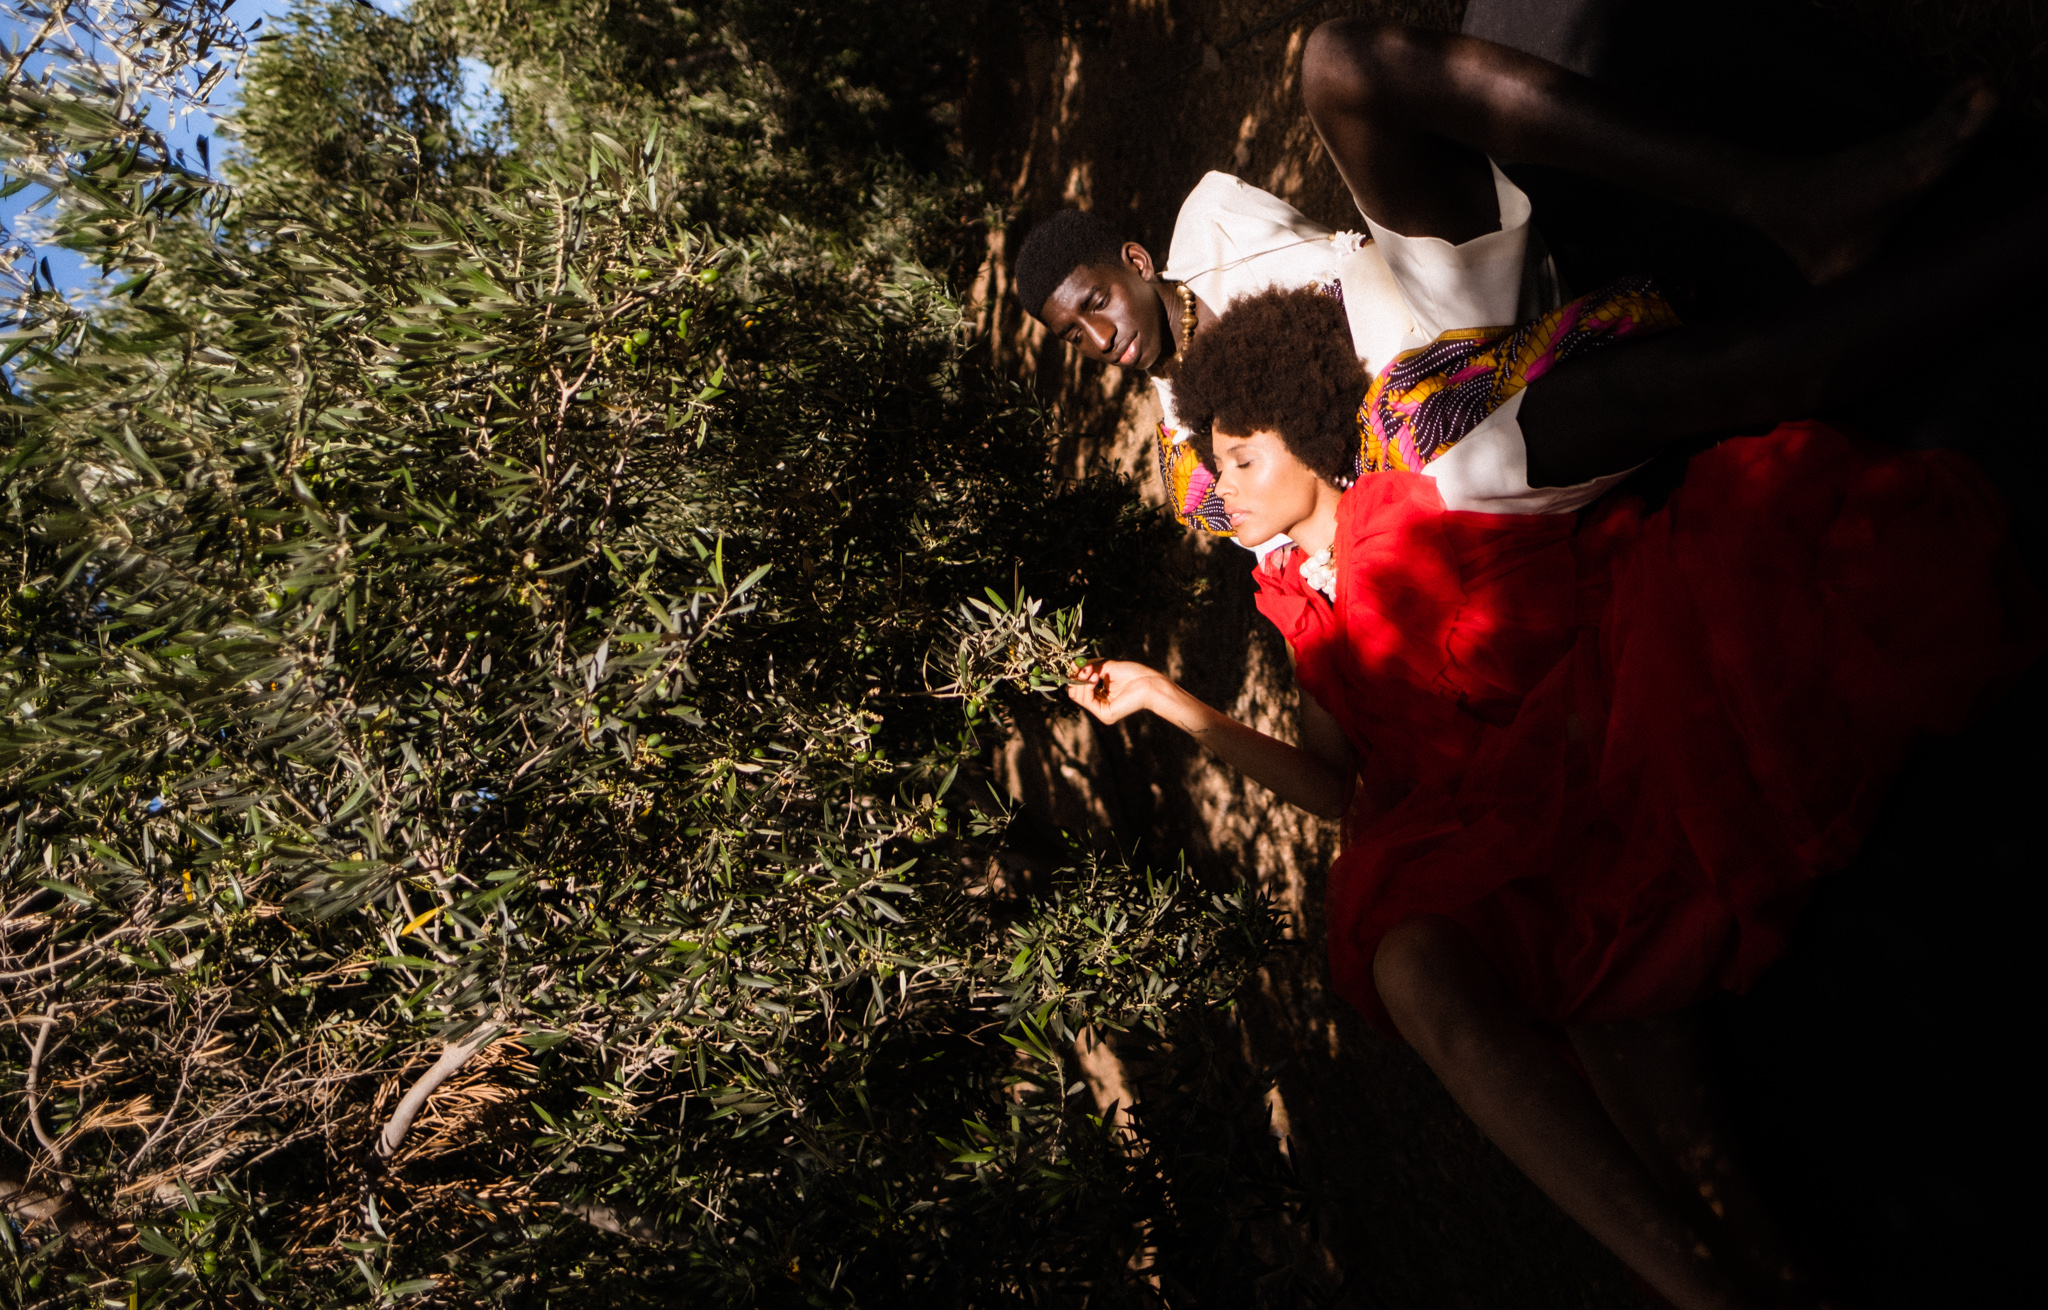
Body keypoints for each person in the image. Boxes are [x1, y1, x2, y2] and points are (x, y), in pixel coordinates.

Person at [1061, 190, 2048, 1306]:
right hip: (1488, 848)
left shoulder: (1420, 506)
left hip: (1600, 770)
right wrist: (1164, 699)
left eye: (1241, 461)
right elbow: (1343, 790)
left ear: (1301, 431)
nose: (1222, 494)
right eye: (1220, 470)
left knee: (1689, 1152)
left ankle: (1731, 1283)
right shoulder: (1292, 600)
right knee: (1417, 960)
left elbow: (1553, 518)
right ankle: (1709, 1286)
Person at [1011, 20, 1995, 534]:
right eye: (1074, 336)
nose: (1101, 338)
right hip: (1423, 438)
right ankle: (1976, 268)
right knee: (1562, 417)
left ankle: (1779, 197)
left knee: (1335, 64)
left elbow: (1336, 243)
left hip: (1416, 291)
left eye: (1094, 302)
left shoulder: (1211, 213)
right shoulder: (1187, 455)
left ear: (1132, 263)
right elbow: (1321, 524)